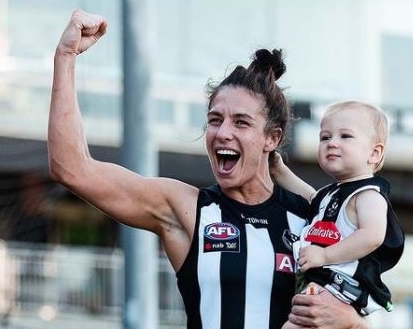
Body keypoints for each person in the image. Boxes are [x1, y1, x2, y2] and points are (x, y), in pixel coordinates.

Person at [48, 10, 368, 329]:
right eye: (215, 120)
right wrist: (65, 57)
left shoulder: (313, 218)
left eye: (241, 122)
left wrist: (351, 322)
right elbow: (73, 169)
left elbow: (367, 309)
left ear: (272, 138)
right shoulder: (189, 209)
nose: (223, 132)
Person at [271, 101, 405, 317]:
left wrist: (325, 255)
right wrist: (279, 171)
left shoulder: (368, 194)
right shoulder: (331, 194)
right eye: (325, 137)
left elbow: (372, 236)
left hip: (342, 287)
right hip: (322, 283)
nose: (332, 143)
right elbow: (312, 198)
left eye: (345, 136)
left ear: (374, 153)